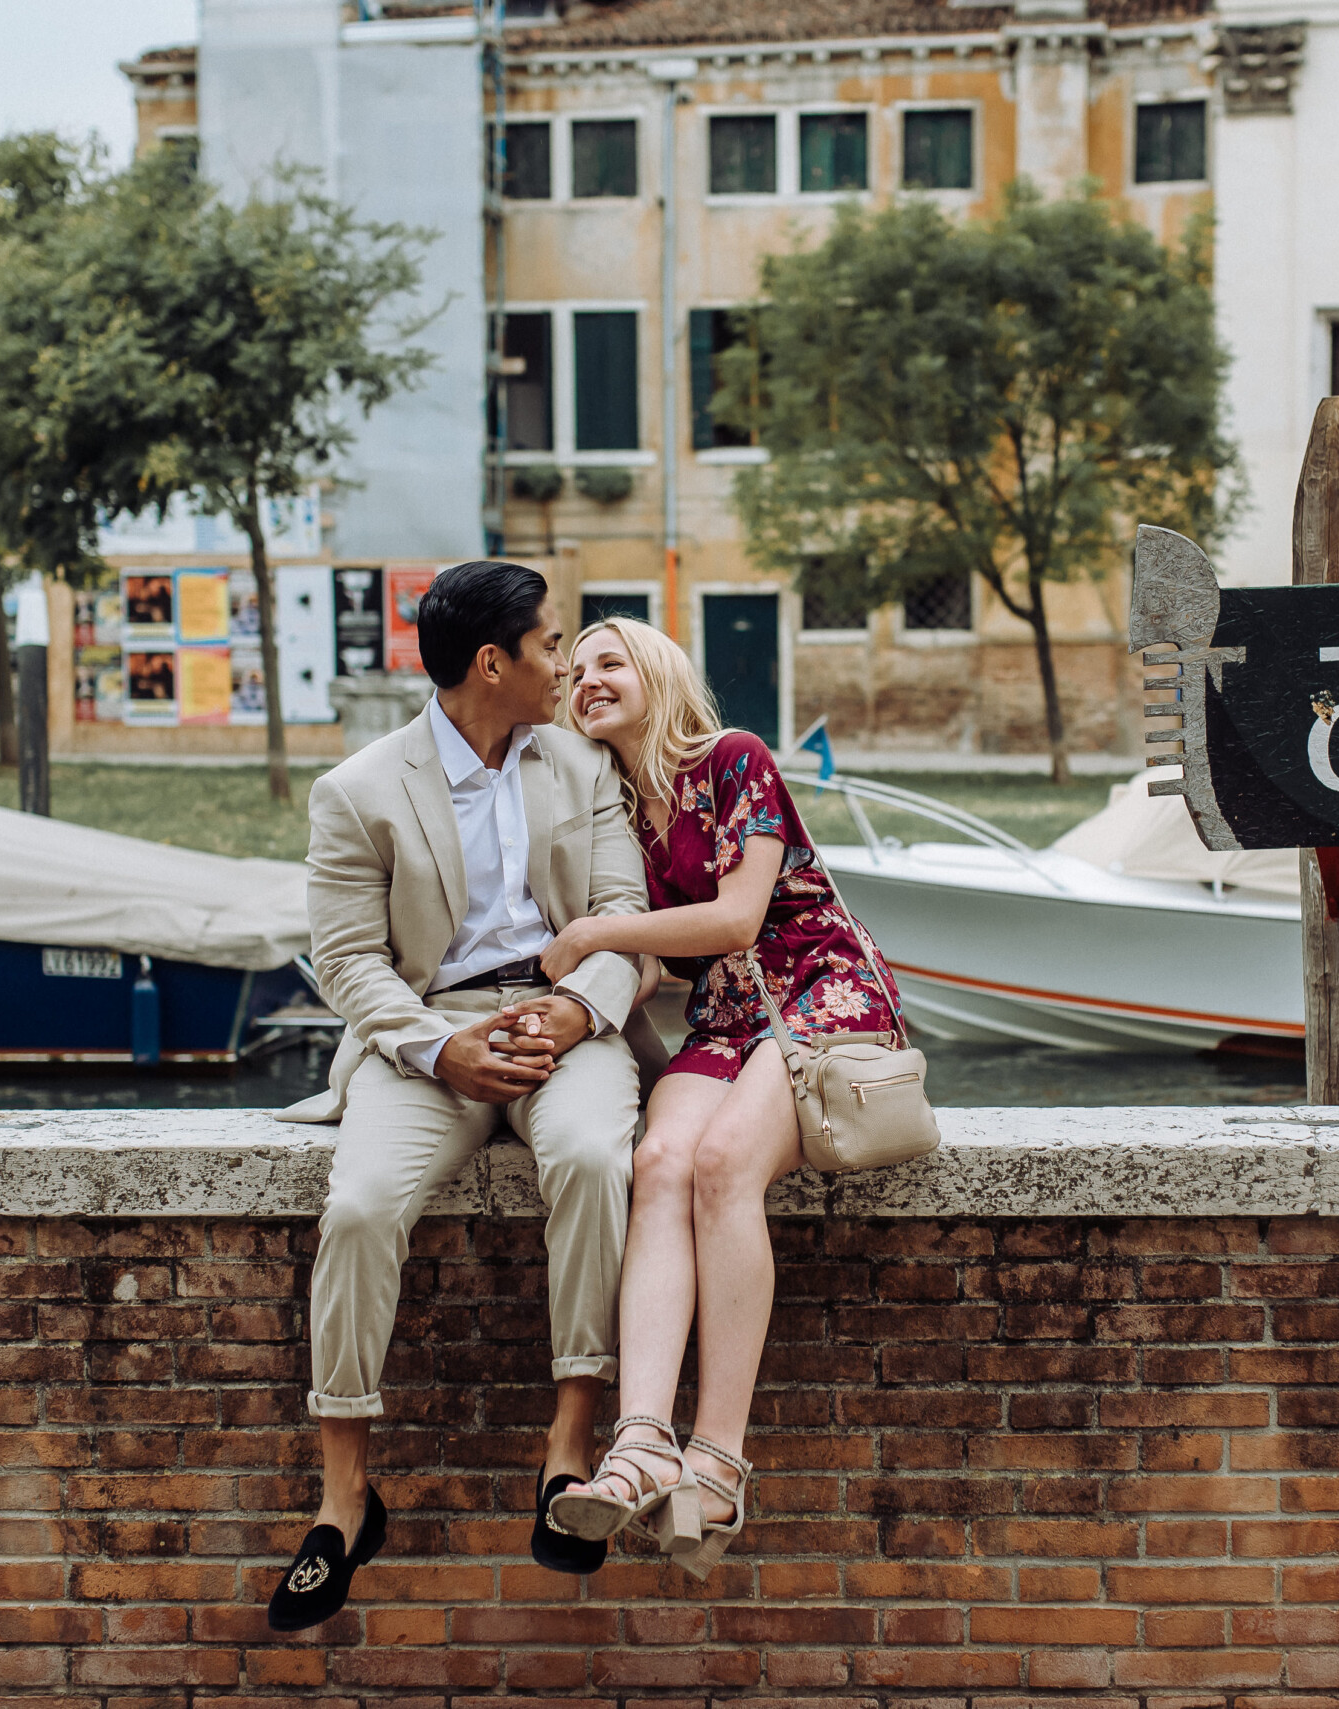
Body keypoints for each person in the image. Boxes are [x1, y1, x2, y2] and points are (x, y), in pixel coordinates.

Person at [265, 560, 649, 1631]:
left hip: (565, 1017)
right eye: (550, 642)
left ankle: (568, 1443)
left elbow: (624, 917)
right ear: (495, 662)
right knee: (356, 1208)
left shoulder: (583, 766)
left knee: (587, 1158)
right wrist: (441, 1050)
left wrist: (575, 1012)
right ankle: (345, 1494)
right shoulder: (359, 789)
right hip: (425, 1037)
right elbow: (347, 963)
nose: (565, 660)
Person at [542, 616, 905, 1580]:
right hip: (726, 1016)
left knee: (720, 1163)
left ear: (656, 671)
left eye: (608, 661)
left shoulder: (732, 760)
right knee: (656, 1161)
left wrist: (590, 931)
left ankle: (718, 1460)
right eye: (574, 673)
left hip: (817, 997)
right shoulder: (616, 805)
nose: (587, 680)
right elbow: (660, 962)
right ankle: (640, 1447)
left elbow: (741, 914)